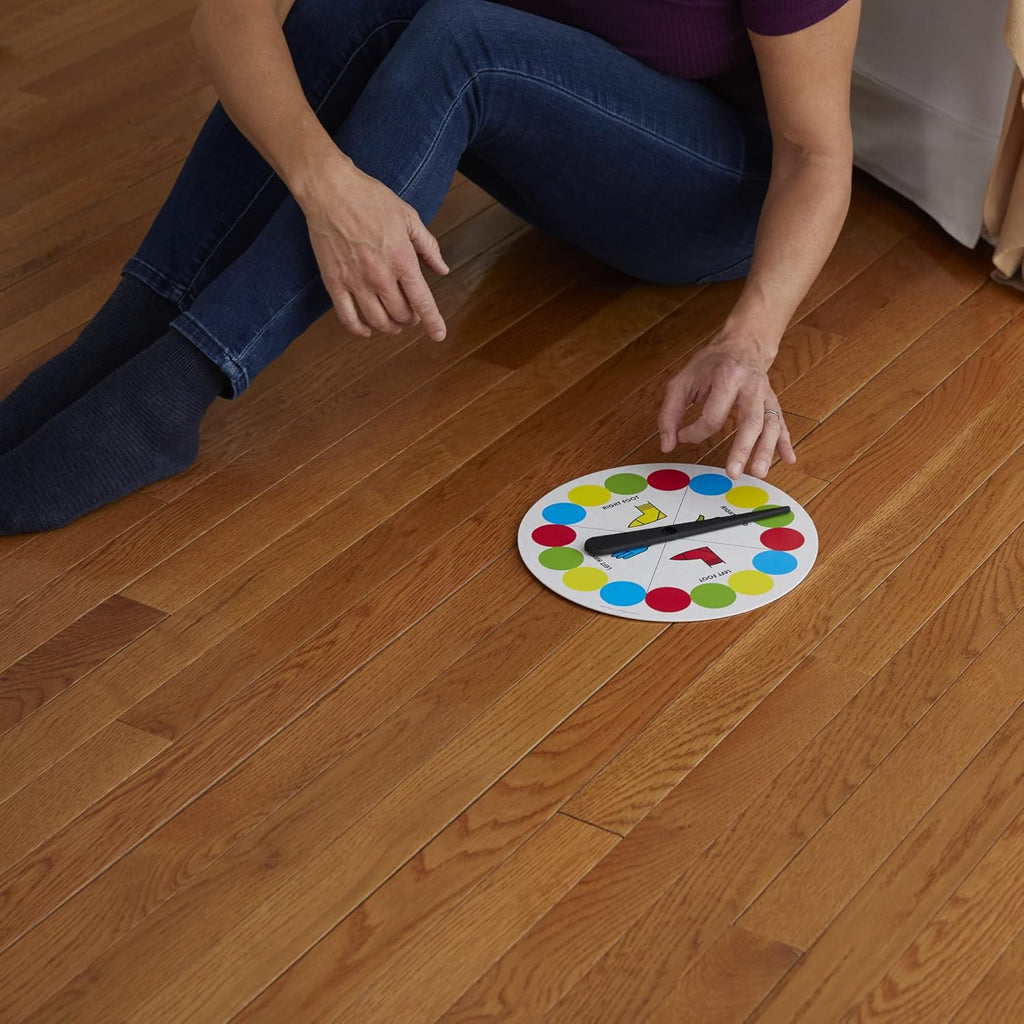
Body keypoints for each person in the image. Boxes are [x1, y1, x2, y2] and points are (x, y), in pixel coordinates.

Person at [0, 0, 861, 534]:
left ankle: (166, 395)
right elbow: (227, 15)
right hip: (549, 138)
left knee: (465, 37)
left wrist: (749, 341)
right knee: (353, 8)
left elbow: (813, 151)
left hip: (709, 193)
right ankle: (117, 344)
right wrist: (327, 187)